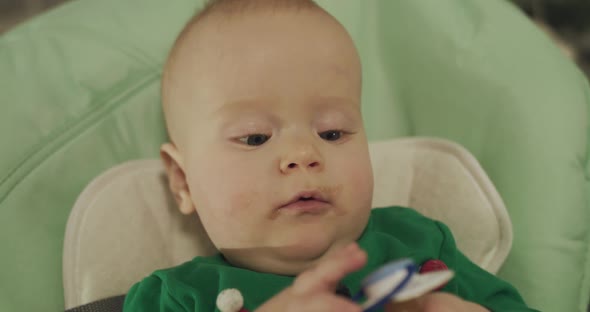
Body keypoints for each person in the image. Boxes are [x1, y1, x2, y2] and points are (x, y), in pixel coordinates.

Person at [123, 0, 538, 311]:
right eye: (254, 138)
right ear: (182, 179)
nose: (304, 154)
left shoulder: (419, 244)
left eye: (332, 132)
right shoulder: (177, 297)